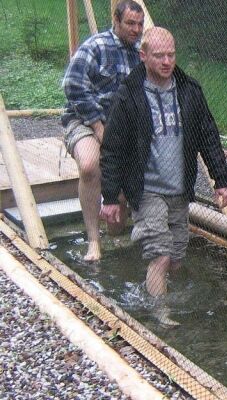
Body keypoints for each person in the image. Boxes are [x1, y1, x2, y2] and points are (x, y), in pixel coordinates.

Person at [99, 27, 227, 318]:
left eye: (171, 54)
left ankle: (154, 292)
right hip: (146, 191)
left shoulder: (190, 91)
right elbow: (112, 148)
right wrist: (110, 196)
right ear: (143, 55)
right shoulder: (129, 96)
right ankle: (162, 319)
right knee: (161, 255)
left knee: (175, 259)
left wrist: (220, 180)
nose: (167, 61)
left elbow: (209, 135)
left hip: (179, 190)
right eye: (159, 55)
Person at [61, 0, 145, 261]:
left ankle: (116, 238)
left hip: (122, 129)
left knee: (120, 192)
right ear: (116, 21)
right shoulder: (95, 47)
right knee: (89, 165)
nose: (136, 29)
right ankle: (93, 242)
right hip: (84, 120)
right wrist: (98, 125)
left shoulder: (141, 54)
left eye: (140, 24)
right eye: (130, 23)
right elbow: (72, 85)